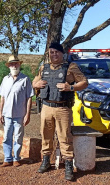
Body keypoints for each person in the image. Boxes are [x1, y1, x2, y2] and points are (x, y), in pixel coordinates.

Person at [32, 43, 88, 181]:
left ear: (62, 53)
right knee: (46, 135)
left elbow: (84, 83)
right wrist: (36, 84)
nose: (54, 54)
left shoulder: (71, 67)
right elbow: (34, 82)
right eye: (51, 52)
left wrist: (71, 87)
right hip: (46, 107)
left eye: (56, 52)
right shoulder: (43, 67)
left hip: (63, 108)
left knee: (64, 137)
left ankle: (68, 165)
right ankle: (46, 161)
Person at [0, 55, 34, 167]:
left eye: (16, 64)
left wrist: (28, 115)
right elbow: (2, 97)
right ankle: (7, 158)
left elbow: (29, 98)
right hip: (7, 114)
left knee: (18, 137)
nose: (14, 66)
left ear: (19, 65)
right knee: (6, 137)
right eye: (12, 64)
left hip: (20, 115)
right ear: (9, 66)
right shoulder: (5, 79)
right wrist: (0, 113)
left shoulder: (25, 79)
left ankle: (16, 158)